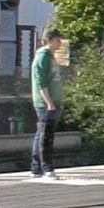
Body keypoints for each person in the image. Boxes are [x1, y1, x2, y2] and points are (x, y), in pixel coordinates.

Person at [29, 29, 67, 177]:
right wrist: (49, 102)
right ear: (49, 40)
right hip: (46, 103)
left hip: (51, 101)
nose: (60, 42)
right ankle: (47, 168)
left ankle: (36, 167)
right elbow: (40, 81)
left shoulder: (50, 56)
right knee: (46, 135)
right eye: (57, 39)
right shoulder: (43, 57)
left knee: (41, 134)